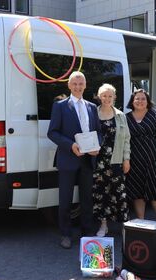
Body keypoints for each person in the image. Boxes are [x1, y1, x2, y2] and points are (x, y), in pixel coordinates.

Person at [47, 71, 101, 249]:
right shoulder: (61, 106)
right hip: (68, 158)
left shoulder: (92, 107)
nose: (78, 87)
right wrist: (71, 145)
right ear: (69, 86)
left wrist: (97, 147)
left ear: (85, 85)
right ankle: (66, 234)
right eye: (75, 84)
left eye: (81, 83)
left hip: (88, 160)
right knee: (65, 200)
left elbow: (98, 132)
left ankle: (87, 233)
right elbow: (52, 132)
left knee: (87, 198)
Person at [125, 89, 156, 222]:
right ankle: (141, 222)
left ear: (147, 101)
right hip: (134, 161)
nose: (140, 101)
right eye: (137, 99)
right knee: (138, 193)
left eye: (143, 99)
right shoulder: (126, 118)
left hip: (155, 160)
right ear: (132, 101)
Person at [92, 84, 131, 237]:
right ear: (99, 97)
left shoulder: (121, 115)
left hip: (116, 159)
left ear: (114, 97)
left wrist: (126, 159)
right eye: (104, 95)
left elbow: (127, 139)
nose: (107, 98)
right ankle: (103, 226)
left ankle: (124, 225)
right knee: (101, 193)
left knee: (119, 193)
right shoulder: (93, 114)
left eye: (110, 96)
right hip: (98, 161)